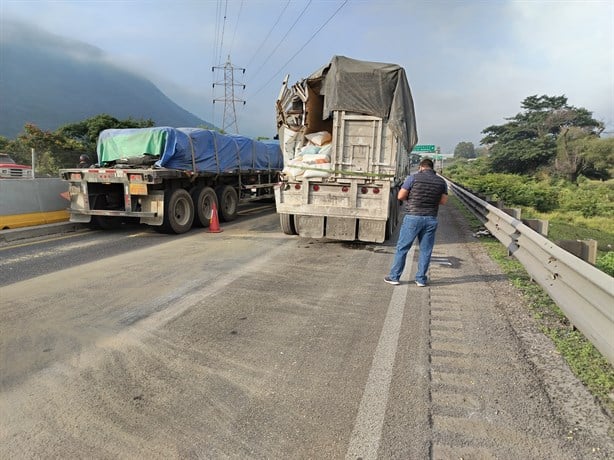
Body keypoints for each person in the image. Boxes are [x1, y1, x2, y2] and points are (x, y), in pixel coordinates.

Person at [384, 158, 448, 286]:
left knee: (402, 248)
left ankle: (394, 277)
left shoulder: (413, 178)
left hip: (413, 217)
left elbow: (400, 196)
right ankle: (420, 279)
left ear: (421, 167)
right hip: (430, 218)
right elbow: (443, 201)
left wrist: (412, 199)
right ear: (432, 167)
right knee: (426, 250)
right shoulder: (441, 182)